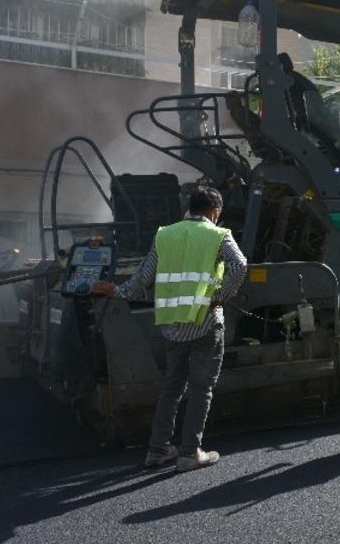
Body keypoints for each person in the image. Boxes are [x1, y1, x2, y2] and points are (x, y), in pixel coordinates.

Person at [93, 186, 248, 471]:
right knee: (202, 389)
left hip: (172, 325)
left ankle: (158, 450)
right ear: (214, 212)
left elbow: (141, 280)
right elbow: (239, 266)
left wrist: (115, 290)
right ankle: (190, 453)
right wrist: (220, 297)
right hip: (205, 324)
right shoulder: (219, 235)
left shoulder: (164, 235)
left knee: (172, 388)